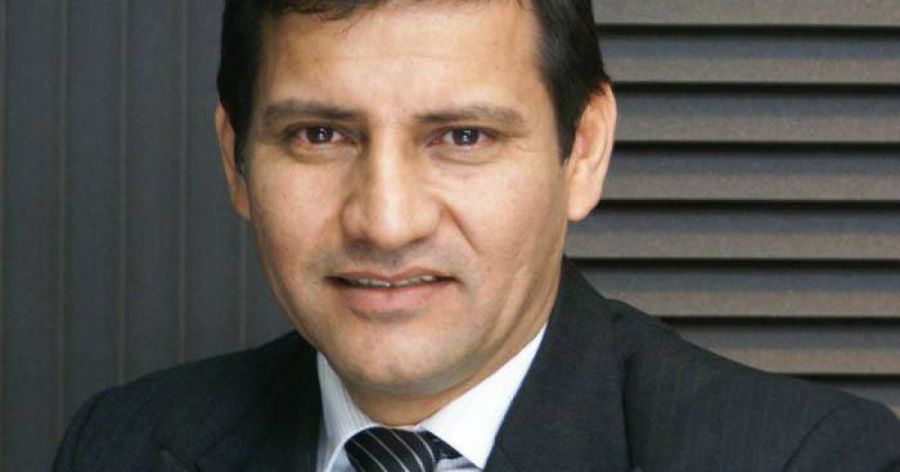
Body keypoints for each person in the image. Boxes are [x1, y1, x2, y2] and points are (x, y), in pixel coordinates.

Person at [54, 0, 900, 470]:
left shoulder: (809, 461)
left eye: (462, 137)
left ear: (583, 151)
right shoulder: (120, 446)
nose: (386, 222)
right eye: (319, 134)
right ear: (236, 160)